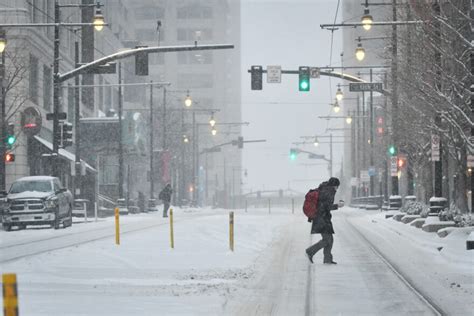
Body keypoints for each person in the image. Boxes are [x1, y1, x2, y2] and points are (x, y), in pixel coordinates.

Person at [305, 177, 340, 264]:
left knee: (329, 239)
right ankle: (310, 251)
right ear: (334, 185)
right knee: (327, 240)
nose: (337, 188)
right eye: (337, 186)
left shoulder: (324, 189)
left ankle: (327, 259)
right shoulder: (329, 191)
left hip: (321, 217)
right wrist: (337, 206)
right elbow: (326, 206)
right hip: (322, 218)